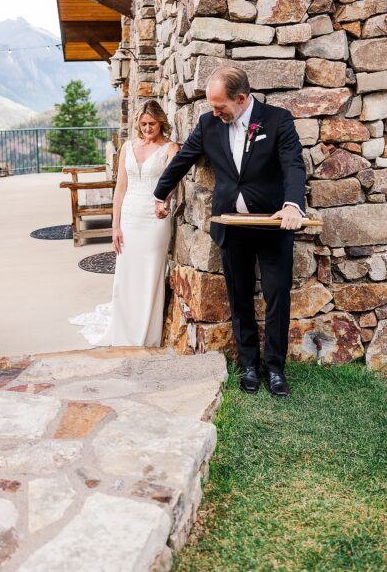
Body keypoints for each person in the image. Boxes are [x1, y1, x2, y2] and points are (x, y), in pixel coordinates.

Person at [153, 66, 306, 397]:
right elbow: (183, 160)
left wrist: (293, 205)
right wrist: (159, 192)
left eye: (219, 105)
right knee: (239, 299)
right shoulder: (209, 124)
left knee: (278, 296)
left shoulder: (278, 120)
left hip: (273, 225)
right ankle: (249, 365)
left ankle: (276, 369)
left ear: (241, 98)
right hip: (231, 227)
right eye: (211, 105)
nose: (214, 111)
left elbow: (293, 164)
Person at [71, 100, 179, 347]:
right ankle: (124, 327)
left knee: (150, 273)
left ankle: (145, 333)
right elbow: (120, 188)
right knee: (127, 274)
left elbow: (173, 181)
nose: (147, 128)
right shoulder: (128, 147)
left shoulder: (171, 148)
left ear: (161, 122)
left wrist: (165, 203)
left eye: (152, 123)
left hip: (154, 219)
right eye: (143, 124)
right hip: (129, 216)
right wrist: (115, 227)